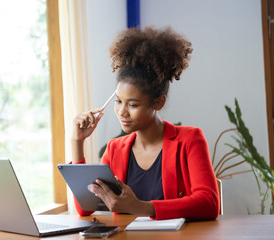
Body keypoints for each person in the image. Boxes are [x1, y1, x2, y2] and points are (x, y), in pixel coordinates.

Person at [71, 26, 219, 220]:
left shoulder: (189, 140)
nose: (122, 111)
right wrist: (77, 142)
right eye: (118, 101)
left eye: (132, 104)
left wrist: (141, 207)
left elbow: (208, 203)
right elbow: (85, 208)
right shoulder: (115, 149)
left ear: (158, 102)